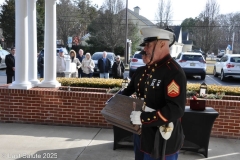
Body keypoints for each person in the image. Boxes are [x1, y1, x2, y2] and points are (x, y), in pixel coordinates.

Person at [130, 27, 187, 160]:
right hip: (146, 136)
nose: (145, 49)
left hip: (163, 140)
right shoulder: (153, 69)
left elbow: (176, 109)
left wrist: (144, 118)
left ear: (162, 44)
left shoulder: (173, 71)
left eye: (149, 45)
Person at [121, 50, 152, 160]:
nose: (143, 57)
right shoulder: (139, 71)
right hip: (138, 109)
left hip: (152, 111)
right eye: (142, 55)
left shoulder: (160, 72)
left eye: (146, 54)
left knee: (149, 145)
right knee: (138, 143)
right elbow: (129, 89)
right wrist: (117, 97)